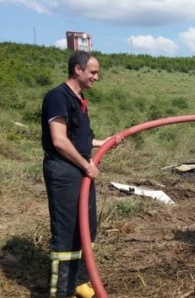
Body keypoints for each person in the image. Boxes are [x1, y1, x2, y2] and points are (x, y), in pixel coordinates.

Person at [41, 50, 122, 298]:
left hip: (80, 170)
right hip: (65, 171)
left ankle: (80, 282)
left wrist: (103, 142)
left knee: (86, 227)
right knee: (66, 232)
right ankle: (62, 292)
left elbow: (80, 139)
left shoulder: (79, 99)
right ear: (78, 69)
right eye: (93, 72)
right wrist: (87, 166)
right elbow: (60, 141)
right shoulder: (57, 97)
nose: (96, 77)